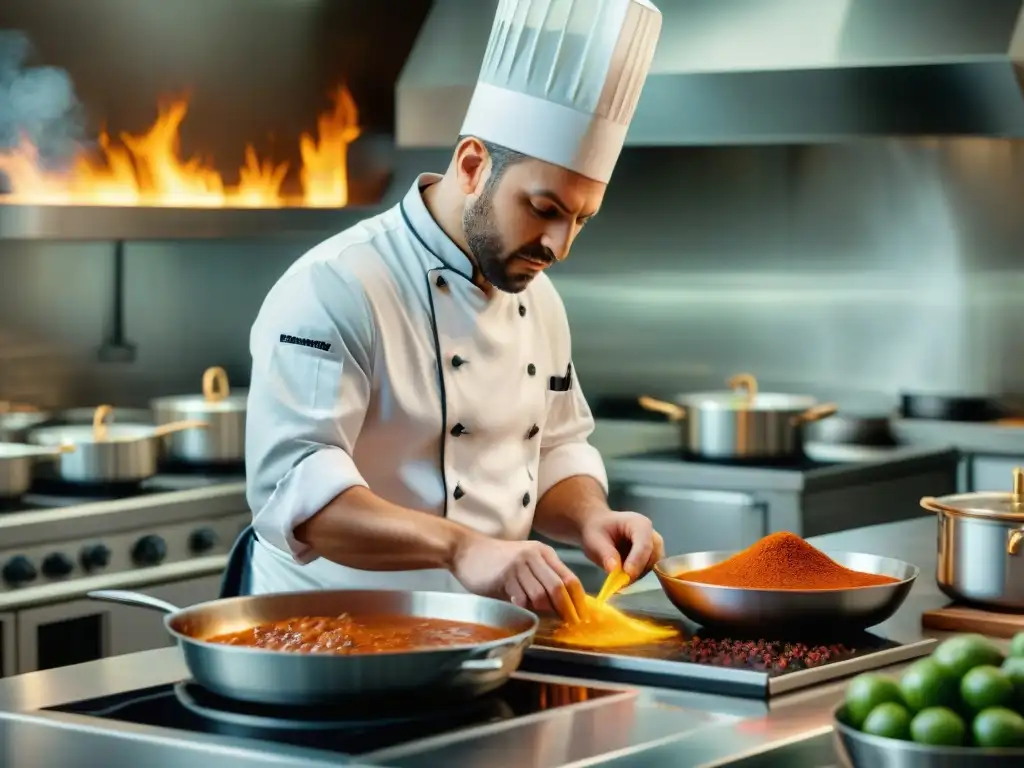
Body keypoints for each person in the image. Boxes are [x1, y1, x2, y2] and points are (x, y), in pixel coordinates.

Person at [244, 0, 665, 623]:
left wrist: (592, 518)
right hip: (327, 636)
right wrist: (463, 548)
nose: (560, 246)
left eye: (581, 219)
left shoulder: (538, 298)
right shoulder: (335, 287)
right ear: (472, 166)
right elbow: (298, 498)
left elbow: (551, 452)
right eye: (544, 208)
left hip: (479, 635)